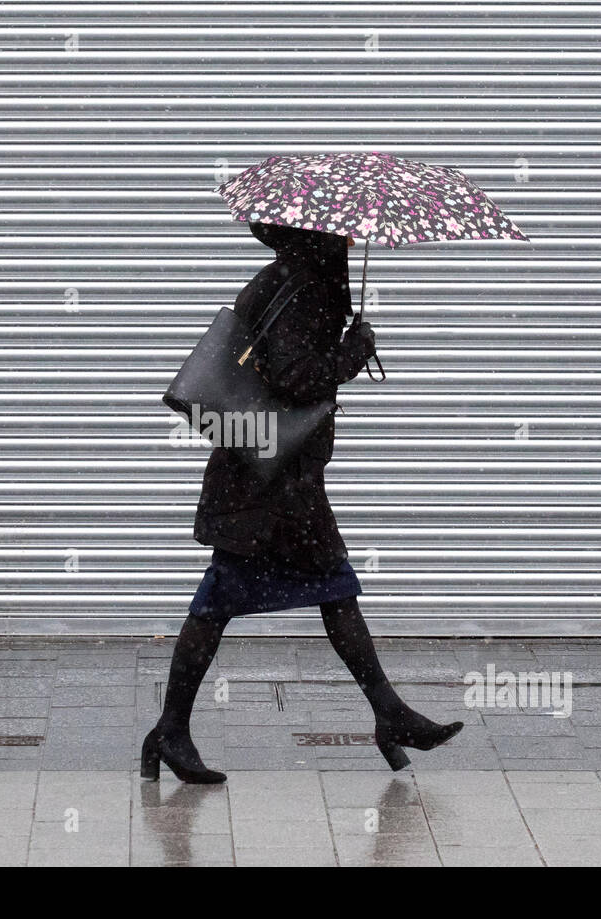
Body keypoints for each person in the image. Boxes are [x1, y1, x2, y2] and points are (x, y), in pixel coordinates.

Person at [141, 222, 463, 784]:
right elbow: (296, 378)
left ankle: (388, 713)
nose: (348, 247)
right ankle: (171, 729)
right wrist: (353, 352)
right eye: (340, 239)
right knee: (230, 596)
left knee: (334, 587)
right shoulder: (304, 289)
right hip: (266, 485)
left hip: (277, 478)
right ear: (318, 242)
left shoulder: (285, 281)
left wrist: (342, 345)